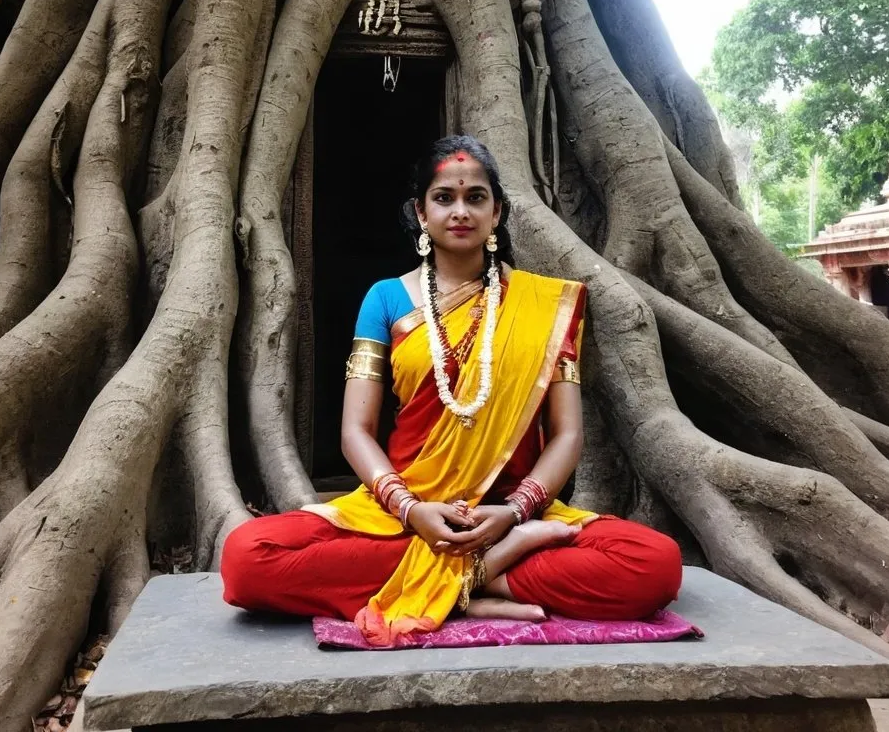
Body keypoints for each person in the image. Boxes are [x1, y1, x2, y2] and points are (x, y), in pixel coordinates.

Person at [221, 136, 681, 646]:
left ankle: (467, 573)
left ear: (497, 211)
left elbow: (567, 434)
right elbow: (356, 429)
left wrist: (516, 513)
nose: (460, 210)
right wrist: (410, 508)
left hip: (509, 511)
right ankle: (481, 576)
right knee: (246, 558)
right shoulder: (386, 299)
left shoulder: (543, 306)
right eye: (444, 198)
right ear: (420, 213)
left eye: (475, 197)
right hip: (401, 511)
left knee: (655, 564)